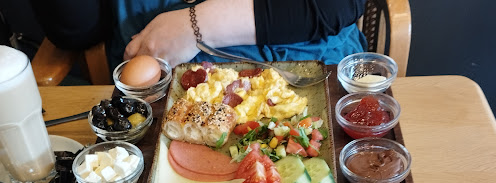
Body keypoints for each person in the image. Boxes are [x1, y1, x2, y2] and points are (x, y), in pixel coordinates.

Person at [30, 0, 367, 71]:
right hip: (158, 89)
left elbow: (336, 6)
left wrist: (194, 27)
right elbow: (76, 30)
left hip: (303, 71)